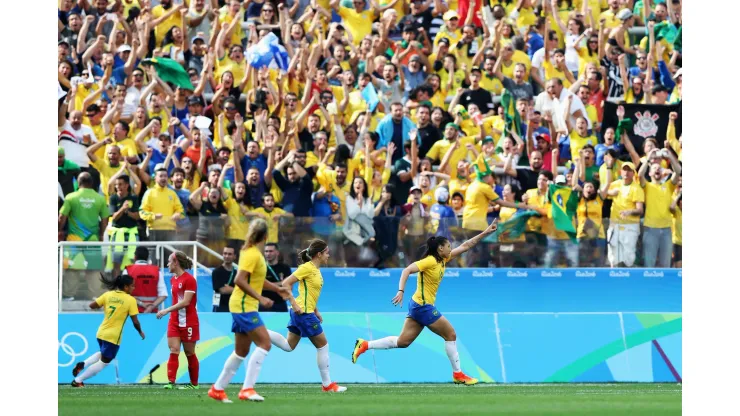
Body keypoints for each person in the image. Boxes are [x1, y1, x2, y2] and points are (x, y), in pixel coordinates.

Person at [352, 220, 499, 385]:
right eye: (448, 246)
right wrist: (400, 291)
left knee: (403, 342)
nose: (451, 248)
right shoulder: (429, 261)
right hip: (423, 306)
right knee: (450, 334)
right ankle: (458, 374)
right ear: (440, 248)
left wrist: (486, 233)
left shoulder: (443, 259)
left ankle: (365, 345)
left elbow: (466, 245)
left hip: (417, 306)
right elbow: (407, 270)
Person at [208, 219, 288, 403]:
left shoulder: (250, 252)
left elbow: (257, 279)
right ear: (266, 236)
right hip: (244, 306)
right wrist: (261, 298)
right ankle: (247, 389)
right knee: (265, 343)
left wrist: (277, 289)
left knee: (241, 351)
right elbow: (239, 280)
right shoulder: (252, 255)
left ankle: (217, 389)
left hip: (242, 305)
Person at [266, 240, 348, 392]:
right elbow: (285, 283)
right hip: (302, 312)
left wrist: (316, 310)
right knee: (323, 345)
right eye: (327, 252)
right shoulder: (307, 268)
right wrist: (293, 302)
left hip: (305, 311)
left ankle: (260, 332)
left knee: (288, 346)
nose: (329, 255)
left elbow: (309, 292)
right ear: (319, 254)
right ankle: (327, 385)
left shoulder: (315, 270)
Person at [71, 274, 145, 387]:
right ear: (125, 287)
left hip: (101, 332)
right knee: (104, 362)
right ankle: (78, 380)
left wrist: (106, 305)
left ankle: (83, 364)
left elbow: (92, 305)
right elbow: (135, 321)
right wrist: (140, 331)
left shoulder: (108, 295)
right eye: (132, 286)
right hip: (113, 336)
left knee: (103, 354)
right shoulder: (130, 300)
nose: (133, 288)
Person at [156, 251, 200, 390]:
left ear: (176, 262)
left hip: (189, 321)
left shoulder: (190, 280)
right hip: (174, 321)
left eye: (169, 261)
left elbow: (186, 302)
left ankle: (194, 384)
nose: (167, 264)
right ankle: (171, 382)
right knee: (174, 349)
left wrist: (166, 310)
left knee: (189, 353)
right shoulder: (173, 279)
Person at [123, 247, 168, 313]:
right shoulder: (156, 271)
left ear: (135, 257)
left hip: (132, 312)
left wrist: (142, 304)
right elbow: (163, 295)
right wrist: (150, 308)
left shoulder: (128, 270)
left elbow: (123, 294)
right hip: (152, 313)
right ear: (147, 258)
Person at [262, 243, 291, 313]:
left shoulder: (285, 268)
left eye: (271, 251)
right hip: (264, 304)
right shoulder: (260, 268)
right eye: (266, 251)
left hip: (280, 304)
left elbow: (289, 287)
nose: (268, 254)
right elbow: (258, 286)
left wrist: (267, 285)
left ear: (277, 252)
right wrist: (281, 283)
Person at [212, 246, 237, 313]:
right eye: (225, 253)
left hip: (234, 307)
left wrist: (230, 289)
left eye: (229, 254)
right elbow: (223, 290)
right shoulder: (217, 272)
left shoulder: (237, 273)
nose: (227, 256)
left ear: (234, 256)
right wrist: (237, 290)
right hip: (220, 308)